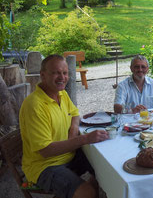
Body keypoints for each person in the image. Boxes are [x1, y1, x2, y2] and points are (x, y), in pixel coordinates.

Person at [19, 55, 109, 198]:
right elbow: (45, 151)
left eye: (65, 73)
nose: (62, 77)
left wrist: (73, 131)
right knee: (87, 193)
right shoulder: (34, 105)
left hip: (68, 155)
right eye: (56, 72)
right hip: (44, 166)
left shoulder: (61, 93)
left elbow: (75, 113)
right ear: (43, 75)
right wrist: (83, 139)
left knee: (107, 169)